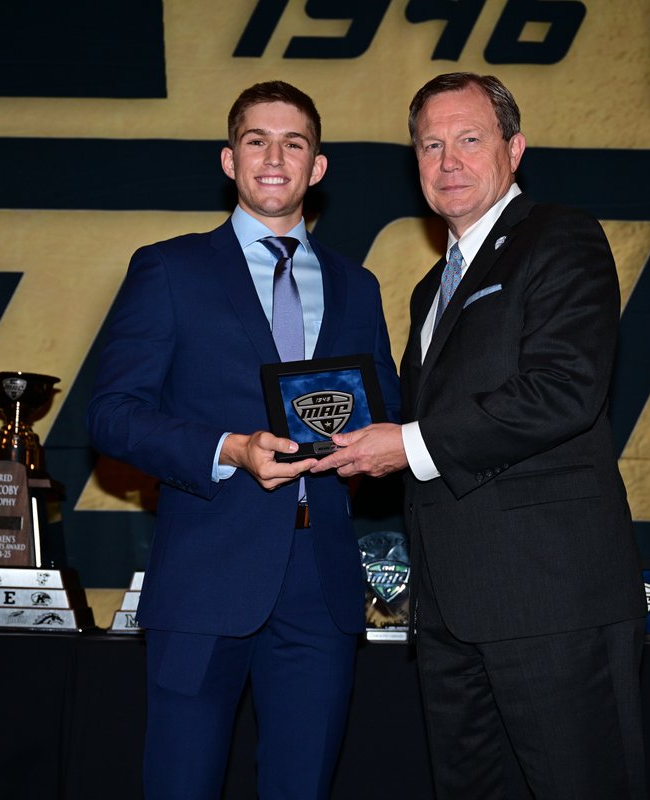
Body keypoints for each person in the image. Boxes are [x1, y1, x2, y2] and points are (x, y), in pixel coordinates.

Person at [311, 72, 647, 798]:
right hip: (449, 608)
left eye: (469, 140)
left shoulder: (561, 237)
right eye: (431, 145)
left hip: (549, 601)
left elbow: (564, 391)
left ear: (514, 149)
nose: (448, 161)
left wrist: (405, 444)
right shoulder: (431, 290)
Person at [87, 80, 400, 799]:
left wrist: (370, 448)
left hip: (320, 587)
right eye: (256, 140)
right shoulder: (170, 268)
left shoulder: (358, 286)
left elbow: (385, 408)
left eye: (294, 143)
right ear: (229, 160)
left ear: (316, 168)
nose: (274, 157)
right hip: (206, 577)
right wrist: (230, 448)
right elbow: (111, 414)